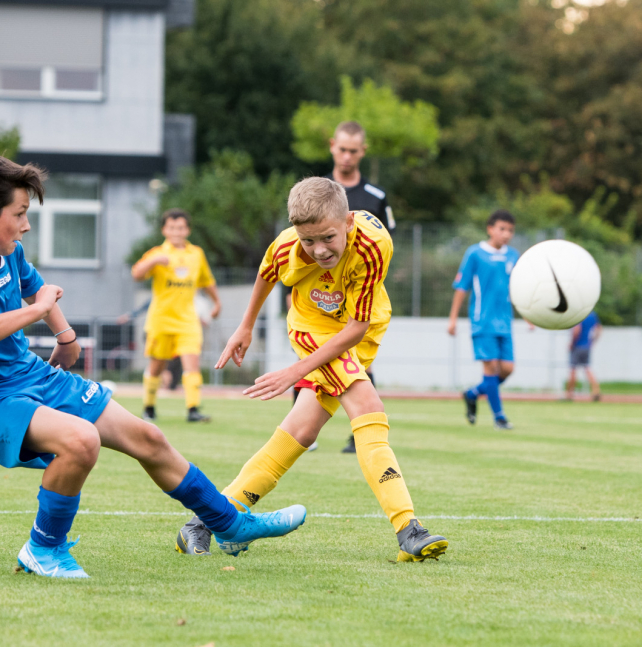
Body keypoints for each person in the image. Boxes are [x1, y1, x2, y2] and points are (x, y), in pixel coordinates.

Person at [0, 155, 305, 578]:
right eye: (20, 214)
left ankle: (230, 526)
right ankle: (42, 549)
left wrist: (65, 335)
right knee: (81, 440)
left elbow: (39, 291)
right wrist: (40, 314)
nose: (26, 225)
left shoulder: (8, 252)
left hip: (29, 375)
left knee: (147, 436)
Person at [173, 177, 448, 562]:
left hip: (358, 330)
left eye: (328, 238)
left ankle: (201, 523)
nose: (318, 250)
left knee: (300, 430)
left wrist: (294, 372)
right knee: (368, 406)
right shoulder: (287, 244)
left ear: (349, 221)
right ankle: (408, 529)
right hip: (312, 328)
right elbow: (268, 272)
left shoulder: (375, 244)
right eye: (308, 241)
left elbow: (356, 328)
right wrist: (246, 326)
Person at [324, 120, 395, 453]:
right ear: (331, 146)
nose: (347, 156)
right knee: (313, 355)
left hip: (359, 293)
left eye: (354, 150)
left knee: (361, 362)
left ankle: (360, 432)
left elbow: (386, 244)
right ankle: (304, 435)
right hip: (320, 291)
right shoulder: (318, 191)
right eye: (342, 149)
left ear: (362, 152)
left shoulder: (376, 197)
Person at [131, 210, 221, 423]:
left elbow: (206, 280)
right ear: (164, 230)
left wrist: (217, 302)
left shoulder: (196, 253)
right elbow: (136, 274)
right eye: (172, 228)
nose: (176, 232)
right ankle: (149, 407)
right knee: (157, 366)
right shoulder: (157, 252)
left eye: (180, 228)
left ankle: (193, 409)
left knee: (192, 361)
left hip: (188, 319)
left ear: (187, 230)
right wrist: (153, 262)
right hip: (161, 319)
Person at [447, 210, 520, 430]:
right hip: (483, 321)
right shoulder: (475, 253)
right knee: (490, 369)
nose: (506, 234)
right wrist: (452, 319)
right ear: (490, 229)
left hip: (505, 322)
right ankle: (500, 418)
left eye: (510, 230)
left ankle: (472, 393)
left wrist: (529, 315)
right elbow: (462, 288)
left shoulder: (513, 256)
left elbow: (522, 289)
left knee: (507, 369)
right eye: (502, 229)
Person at [566, 310, 602, 401]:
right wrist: (592, 341)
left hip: (577, 346)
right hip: (586, 346)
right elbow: (599, 329)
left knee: (573, 370)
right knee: (587, 368)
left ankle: (569, 394)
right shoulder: (592, 314)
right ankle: (596, 391)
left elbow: (577, 330)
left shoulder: (578, 313)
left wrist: (572, 343)